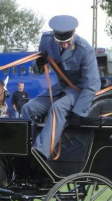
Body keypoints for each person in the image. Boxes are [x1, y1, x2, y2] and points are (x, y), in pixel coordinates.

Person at [21, 15, 101, 159]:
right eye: (60, 42)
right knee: (28, 108)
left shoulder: (85, 50)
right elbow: (38, 70)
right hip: (60, 89)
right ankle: (23, 149)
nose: (64, 45)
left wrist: (79, 111)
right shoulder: (46, 40)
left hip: (78, 91)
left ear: (74, 34)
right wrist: (39, 63)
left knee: (57, 108)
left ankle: (40, 154)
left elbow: (92, 84)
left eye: (67, 42)